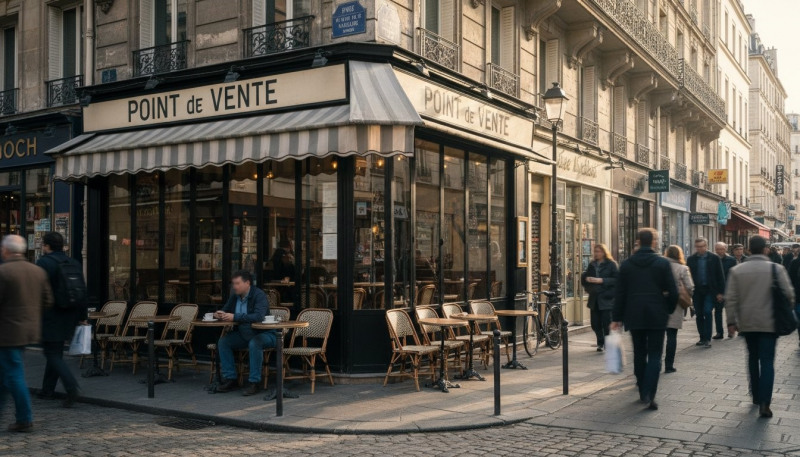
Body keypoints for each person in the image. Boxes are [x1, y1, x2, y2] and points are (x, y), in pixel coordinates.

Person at [725, 236, 794, 418]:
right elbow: (789, 294)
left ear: (748, 249)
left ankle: (755, 395)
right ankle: (765, 403)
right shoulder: (776, 269)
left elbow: (730, 299)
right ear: (765, 249)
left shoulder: (737, 270)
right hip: (770, 322)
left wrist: (731, 322)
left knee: (752, 358)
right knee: (767, 361)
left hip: (747, 323)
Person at [612, 228, 678, 411]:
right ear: (654, 242)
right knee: (656, 354)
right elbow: (673, 292)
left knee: (639, 353)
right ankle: (650, 393)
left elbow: (620, 294)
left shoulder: (626, 264)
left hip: (634, 314)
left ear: (638, 241)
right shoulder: (662, 263)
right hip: (657, 314)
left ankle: (642, 389)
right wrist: (668, 309)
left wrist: (616, 317)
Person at [0, 235, 54, 432]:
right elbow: (48, 301)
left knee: (13, 375)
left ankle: (24, 418)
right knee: (6, 374)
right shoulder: (37, 271)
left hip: (7, 332)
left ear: (6, 250)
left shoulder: (4, 272)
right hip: (28, 330)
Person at [36, 232, 87, 407]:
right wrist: (83, 317)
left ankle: (71, 387)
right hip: (70, 315)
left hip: (51, 315)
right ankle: (47, 390)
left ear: (46, 246)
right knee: (55, 352)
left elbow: (38, 292)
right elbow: (81, 291)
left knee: (52, 353)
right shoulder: (73, 262)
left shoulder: (44, 263)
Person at [214, 270, 275, 396]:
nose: (234, 286)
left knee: (255, 343)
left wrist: (235, 317)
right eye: (233, 284)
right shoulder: (235, 296)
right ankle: (231, 379)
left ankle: (254, 382)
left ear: (247, 283)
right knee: (224, 342)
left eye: (237, 283)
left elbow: (258, 316)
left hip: (265, 334)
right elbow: (225, 310)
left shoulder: (259, 295)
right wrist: (218, 314)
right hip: (244, 334)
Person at [686, 238, 725, 348]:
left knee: (707, 312)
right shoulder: (691, 259)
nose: (700, 249)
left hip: (710, 290)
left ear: (706, 246)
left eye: (702, 246)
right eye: (698, 247)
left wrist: (720, 293)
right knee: (699, 314)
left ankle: (707, 338)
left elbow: (720, 276)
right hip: (697, 291)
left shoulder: (714, 258)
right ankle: (702, 337)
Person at [580, 244, 618, 352]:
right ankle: (600, 341)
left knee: (606, 323)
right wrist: (587, 280)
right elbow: (585, 277)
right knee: (595, 323)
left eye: (599, 251)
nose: (597, 253)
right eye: (595, 251)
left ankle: (605, 342)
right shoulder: (592, 264)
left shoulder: (611, 264)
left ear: (604, 252)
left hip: (606, 298)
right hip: (594, 298)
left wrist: (602, 280)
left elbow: (617, 280)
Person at [664, 245, 694, 374]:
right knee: (672, 335)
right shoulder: (683, 268)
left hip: (659, 303)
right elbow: (690, 287)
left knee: (658, 335)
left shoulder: (661, 266)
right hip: (675, 304)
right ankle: (669, 365)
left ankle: (655, 362)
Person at [715, 242, 737, 339]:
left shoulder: (731, 260)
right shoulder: (713, 259)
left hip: (729, 289)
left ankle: (731, 331)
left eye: (722, 249)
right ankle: (719, 332)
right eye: (718, 249)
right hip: (718, 290)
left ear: (725, 249)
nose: (720, 251)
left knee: (730, 312)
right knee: (718, 312)